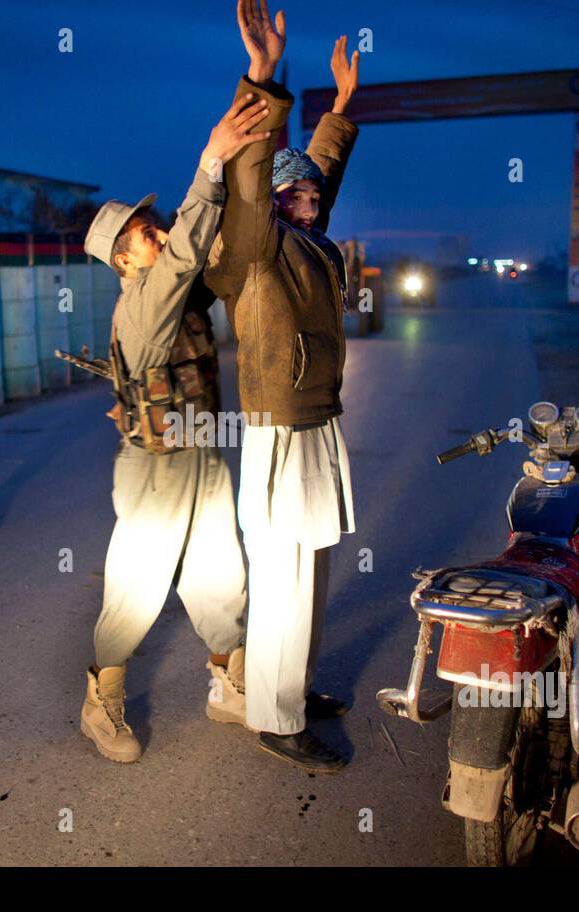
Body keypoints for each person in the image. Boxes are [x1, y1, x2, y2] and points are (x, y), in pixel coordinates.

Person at [77, 92, 271, 763]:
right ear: (124, 262)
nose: (156, 233)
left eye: (154, 224)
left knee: (221, 574)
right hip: (155, 469)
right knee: (136, 585)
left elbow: (227, 246)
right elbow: (189, 248)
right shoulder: (144, 301)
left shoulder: (177, 291)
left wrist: (262, 95)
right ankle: (101, 704)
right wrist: (211, 161)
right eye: (143, 235)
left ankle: (229, 685)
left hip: (203, 455)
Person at [205, 0, 361, 772]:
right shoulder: (257, 247)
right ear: (270, 201)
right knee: (286, 579)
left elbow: (317, 168)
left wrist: (339, 110)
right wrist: (262, 79)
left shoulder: (310, 241)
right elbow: (256, 174)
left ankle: (289, 689)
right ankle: (273, 716)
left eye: (313, 195)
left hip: (314, 420)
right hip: (280, 427)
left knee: (311, 572)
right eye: (296, 194)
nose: (312, 200)